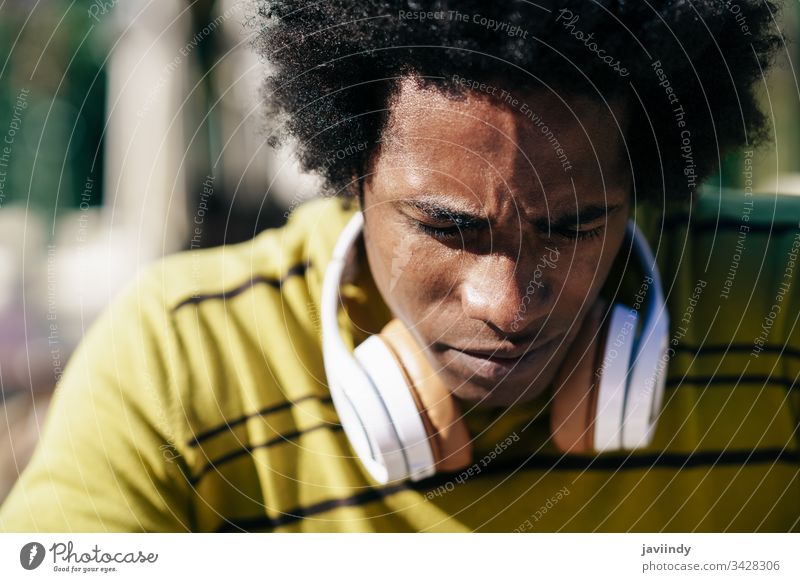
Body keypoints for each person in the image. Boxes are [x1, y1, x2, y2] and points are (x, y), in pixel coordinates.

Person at [1, 0, 798, 532]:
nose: (508, 305)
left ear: (644, 183)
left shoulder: (783, 299)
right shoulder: (177, 357)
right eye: (448, 227)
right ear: (352, 174)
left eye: (575, 225)